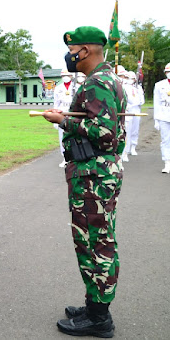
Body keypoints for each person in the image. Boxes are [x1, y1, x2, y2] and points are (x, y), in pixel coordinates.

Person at [42, 26, 126, 338]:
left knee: (95, 243)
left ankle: (99, 317)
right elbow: (101, 123)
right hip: (95, 174)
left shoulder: (98, 83)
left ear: (85, 51)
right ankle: (94, 304)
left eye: (73, 49)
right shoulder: (104, 80)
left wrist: (63, 120)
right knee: (94, 240)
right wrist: (71, 117)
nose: (70, 55)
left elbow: (104, 134)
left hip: (94, 176)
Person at [53, 69, 75, 167]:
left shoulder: (76, 87)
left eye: (67, 75)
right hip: (62, 114)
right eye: (64, 75)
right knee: (62, 137)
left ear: (71, 76)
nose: (65, 77)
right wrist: (54, 118)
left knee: (74, 136)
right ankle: (65, 158)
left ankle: (74, 157)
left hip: (73, 114)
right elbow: (56, 103)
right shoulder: (58, 88)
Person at [122, 71, 145, 162]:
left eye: (132, 78)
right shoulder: (123, 87)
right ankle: (125, 152)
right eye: (128, 78)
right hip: (127, 110)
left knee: (135, 130)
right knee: (127, 131)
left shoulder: (138, 88)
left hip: (136, 110)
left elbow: (141, 100)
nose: (130, 80)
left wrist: (136, 101)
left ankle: (133, 146)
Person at [153, 62, 170, 173]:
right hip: (164, 115)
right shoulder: (159, 85)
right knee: (165, 140)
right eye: (168, 72)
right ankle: (167, 162)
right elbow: (156, 103)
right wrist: (156, 119)